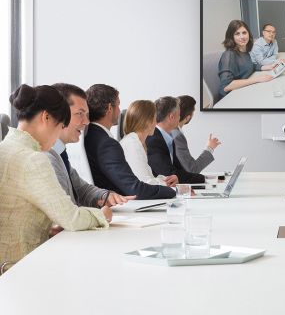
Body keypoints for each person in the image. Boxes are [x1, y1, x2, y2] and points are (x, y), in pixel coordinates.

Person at [0, 84, 110, 269]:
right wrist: (101, 215)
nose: (58, 135)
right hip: (23, 267)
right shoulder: (34, 160)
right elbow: (72, 218)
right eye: (61, 127)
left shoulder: (5, 149)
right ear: (46, 117)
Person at [85, 84, 175, 199]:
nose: (120, 110)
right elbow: (135, 189)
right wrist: (173, 191)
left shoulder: (93, 136)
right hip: (119, 208)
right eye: (118, 105)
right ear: (109, 108)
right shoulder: (106, 143)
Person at [48, 83, 132, 208]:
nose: (87, 122)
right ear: (58, 114)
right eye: (80, 114)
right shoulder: (46, 158)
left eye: (86, 115)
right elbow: (65, 212)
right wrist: (97, 217)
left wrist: (105, 196)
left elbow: (82, 189)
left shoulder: (60, 153)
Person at [146, 96, 205, 184]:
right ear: (171, 117)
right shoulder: (153, 140)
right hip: (160, 192)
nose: (180, 117)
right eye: (179, 114)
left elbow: (180, 170)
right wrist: (202, 178)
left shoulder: (168, 138)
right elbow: (169, 175)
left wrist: (204, 179)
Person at [120, 100, 178, 187]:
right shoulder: (133, 144)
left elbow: (147, 177)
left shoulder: (136, 142)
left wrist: (166, 179)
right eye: (155, 118)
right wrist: (167, 183)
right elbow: (144, 183)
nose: (156, 123)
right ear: (147, 121)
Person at [218, 20, 274, 99]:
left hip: (242, 91)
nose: (242, 37)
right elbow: (226, 86)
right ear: (231, 37)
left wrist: (269, 67)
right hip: (230, 97)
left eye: (244, 33)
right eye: (237, 34)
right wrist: (257, 79)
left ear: (248, 34)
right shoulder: (229, 55)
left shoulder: (244, 51)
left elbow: (250, 66)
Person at [173, 95, 220, 173]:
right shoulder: (176, 136)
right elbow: (193, 169)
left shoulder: (172, 132)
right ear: (188, 117)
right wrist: (210, 148)